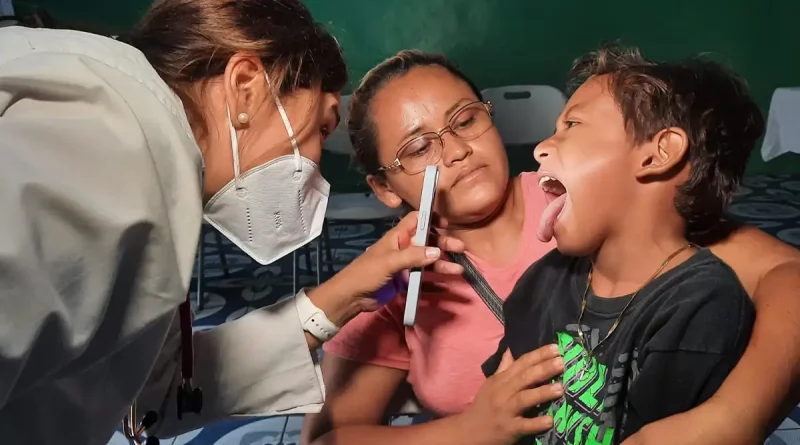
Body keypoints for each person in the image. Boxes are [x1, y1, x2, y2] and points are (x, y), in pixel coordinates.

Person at [0, 1, 467, 444]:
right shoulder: (104, 149)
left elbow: (153, 391)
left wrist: (346, 292)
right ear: (246, 85)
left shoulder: (146, 158)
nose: (317, 160)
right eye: (321, 129)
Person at [301, 50, 800, 445]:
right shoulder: (391, 280)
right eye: (418, 148)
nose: (455, 150)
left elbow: (787, 275)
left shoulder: (586, 197)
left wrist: (734, 417)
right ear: (385, 188)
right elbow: (326, 440)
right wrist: (470, 432)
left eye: (466, 119)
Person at [482, 46, 761, 444]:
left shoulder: (700, 304)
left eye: (572, 125)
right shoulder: (546, 278)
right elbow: (499, 402)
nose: (541, 147)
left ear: (658, 153)